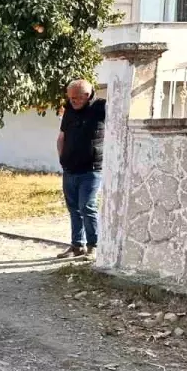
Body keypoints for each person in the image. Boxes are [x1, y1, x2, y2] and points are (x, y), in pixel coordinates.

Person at [56, 79, 106, 260]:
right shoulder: (69, 110)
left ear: (87, 95)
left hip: (91, 170)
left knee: (87, 206)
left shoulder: (101, 108)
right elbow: (62, 136)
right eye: (70, 98)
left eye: (76, 98)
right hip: (69, 169)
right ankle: (77, 245)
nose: (73, 101)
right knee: (73, 208)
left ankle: (94, 246)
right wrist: (62, 158)